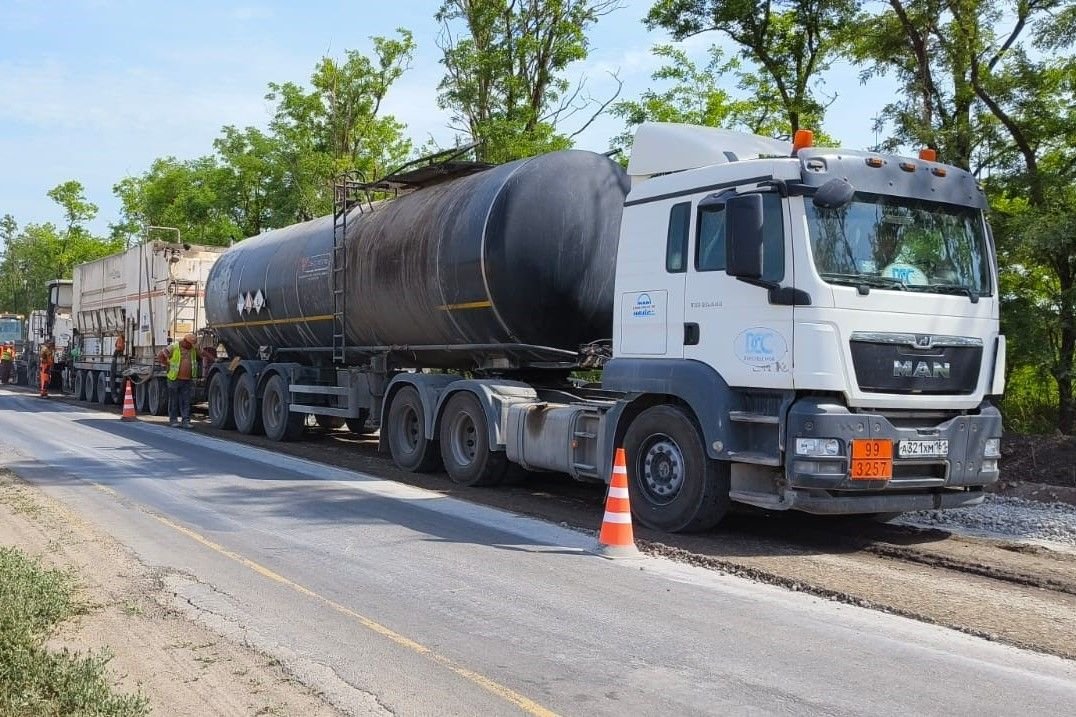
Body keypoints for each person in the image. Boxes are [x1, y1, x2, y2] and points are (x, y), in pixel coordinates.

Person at [157, 333, 199, 428]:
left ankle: (186, 421)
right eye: (190, 344)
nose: (191, 346)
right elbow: (160, 355)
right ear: (185, 341)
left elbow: (201, 355)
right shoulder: (174, 347)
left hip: (187, 380)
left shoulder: (192, 349)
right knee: (174, 401)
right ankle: (173, 420)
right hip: (174, 378)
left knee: (186, 401)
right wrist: (166, 364)